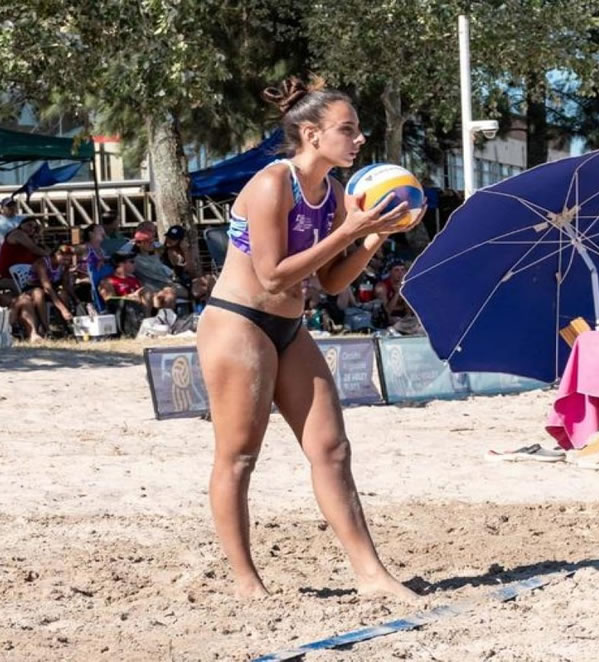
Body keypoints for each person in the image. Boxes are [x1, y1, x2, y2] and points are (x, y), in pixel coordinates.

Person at [196, 76, 424, 601]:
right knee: (238, 456)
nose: (359, 139)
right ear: (311, 135)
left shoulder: (335, 193)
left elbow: (329, 281)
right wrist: (349, 232)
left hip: (289, 326)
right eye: (348, 129)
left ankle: (371, 575)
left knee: (332, 448)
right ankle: (246, 582)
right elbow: (273, 274)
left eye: (359, 130)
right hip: (238, 322)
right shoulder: (273, 182)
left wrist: (371, 238)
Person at [26, 244, 77, 332]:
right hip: (33, 288)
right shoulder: (42, 263)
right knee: (39, 293)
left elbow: (66, 286)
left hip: (51, 288)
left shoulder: (64, 265)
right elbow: (47, 288)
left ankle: (64, 327)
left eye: (68, 259)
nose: (66, 262)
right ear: (56, 255)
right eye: (64, 259)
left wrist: (76, 300)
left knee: (63, 294)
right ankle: (46, 329)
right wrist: (63, 309)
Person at [161, 224, 216, 305]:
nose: (169, 240)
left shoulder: (183, 252)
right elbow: (181, 268)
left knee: (209, 279)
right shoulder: (167, 252)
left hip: (185, 281)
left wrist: (186, 251)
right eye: (168, 237)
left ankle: (210, 307)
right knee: (205, 288)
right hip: (174, 283)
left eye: (173, 239)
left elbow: (192, 272)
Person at [98, 252, 165, 317]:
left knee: (164, 296)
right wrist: (131, 296)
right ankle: (146, 320)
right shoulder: (108, 281)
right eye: (132, 262)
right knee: (146, 290)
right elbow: (110, 302)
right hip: (126, 314)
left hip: (139, 309)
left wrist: (156, 298)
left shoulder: (134, 278)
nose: (135, 264)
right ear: (121, 264)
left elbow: (145, 297)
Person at [0, 217, 50, 281]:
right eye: (29, 225)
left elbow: (41, 249)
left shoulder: (28, 238)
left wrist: (37, 234)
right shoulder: (17, 233)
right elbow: (34, 249)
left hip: (21, 271)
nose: (32, 229)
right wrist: (50, 256)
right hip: (11, 273)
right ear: (21, 224)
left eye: (34, 228)